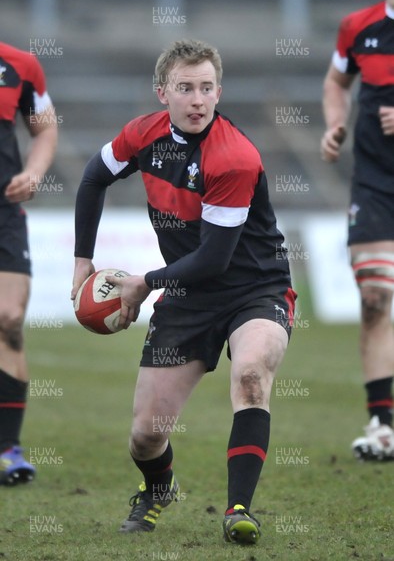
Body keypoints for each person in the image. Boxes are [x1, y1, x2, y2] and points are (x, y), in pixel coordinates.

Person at [72, 39, 296, 544]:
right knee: (147, 436)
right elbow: (92, 178)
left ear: (219, 92)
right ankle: (159, 488)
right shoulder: (142, 135)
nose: (197, 99)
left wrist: (143, 284)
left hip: (254, 290)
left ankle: (238, 509)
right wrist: (82, 260)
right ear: (162, 93)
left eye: (206, 88)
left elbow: (214, 260)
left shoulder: (234, 157)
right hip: (189, 296)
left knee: (252, 376)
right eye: (185, 88)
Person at [321, 0, 394, 461]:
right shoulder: (358, 28)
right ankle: (382, 424)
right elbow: (335, 82)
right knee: (374, 296)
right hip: (375, 183)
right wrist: (334, 124)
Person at [0, 42, 58, 485]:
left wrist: (34, 174)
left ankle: (7, 449)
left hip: (4, 214)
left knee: (10, 318)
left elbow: (45, 129)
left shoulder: (20, 64)